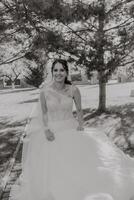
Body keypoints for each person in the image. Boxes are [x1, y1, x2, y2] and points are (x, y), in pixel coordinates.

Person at [9, 59, 134, 200]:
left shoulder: (74, 89)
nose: (58, 73)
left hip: (70, 127)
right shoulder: (44, 91)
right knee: (54, 167)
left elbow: (79, 110)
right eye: (55, 70)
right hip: (52, 131)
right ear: (52, 72)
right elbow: (43, 113)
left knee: (81, 162)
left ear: (66, 72)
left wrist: (81, 126)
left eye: (62, 70)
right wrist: (46, 130)